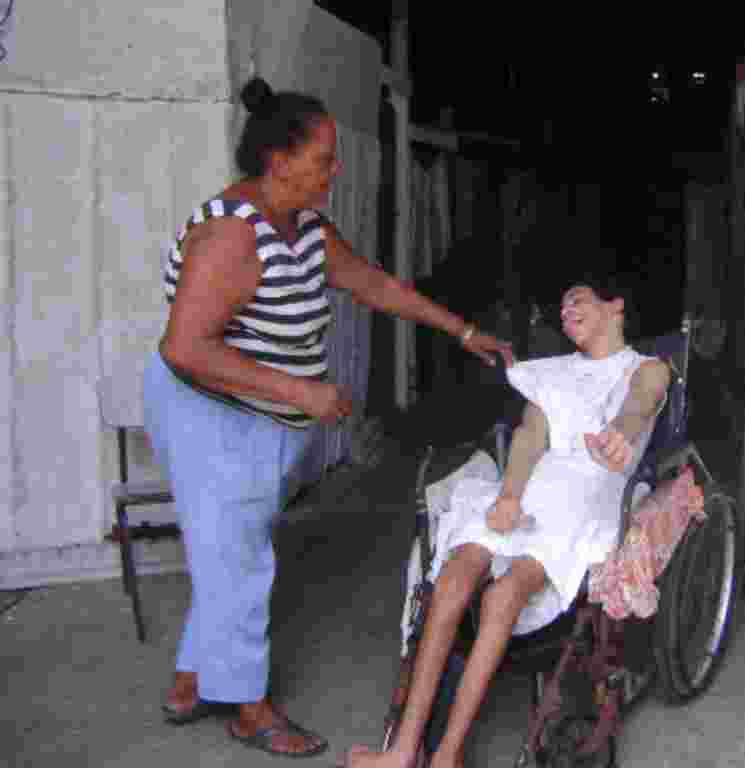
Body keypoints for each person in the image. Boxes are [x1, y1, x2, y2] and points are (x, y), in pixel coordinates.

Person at [143, 76, 514, 759]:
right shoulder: (232, 235)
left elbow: (372, 284)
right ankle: (246, 706)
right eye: (324, 157)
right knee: (244, 560)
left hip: (262, 415)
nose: (335, 169)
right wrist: (299, 390)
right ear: (278, 162)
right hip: (207, 412)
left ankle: (195, 676)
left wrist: (461, 332)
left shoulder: (303, 225)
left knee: (231, 545)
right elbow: (184, 347)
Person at [345, 276, 670, 768]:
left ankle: (447, 756)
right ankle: (405, 748)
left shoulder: (645, 369)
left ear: (616, 307)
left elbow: (639, 404)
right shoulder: (553, 372)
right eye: (562, 306)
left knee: (503, 595)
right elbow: (528, 437)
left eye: (576, 299)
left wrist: (620, 434)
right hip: (531, 488)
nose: (566, 312)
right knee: (453, 577)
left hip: (585, 500)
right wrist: (511, 496)